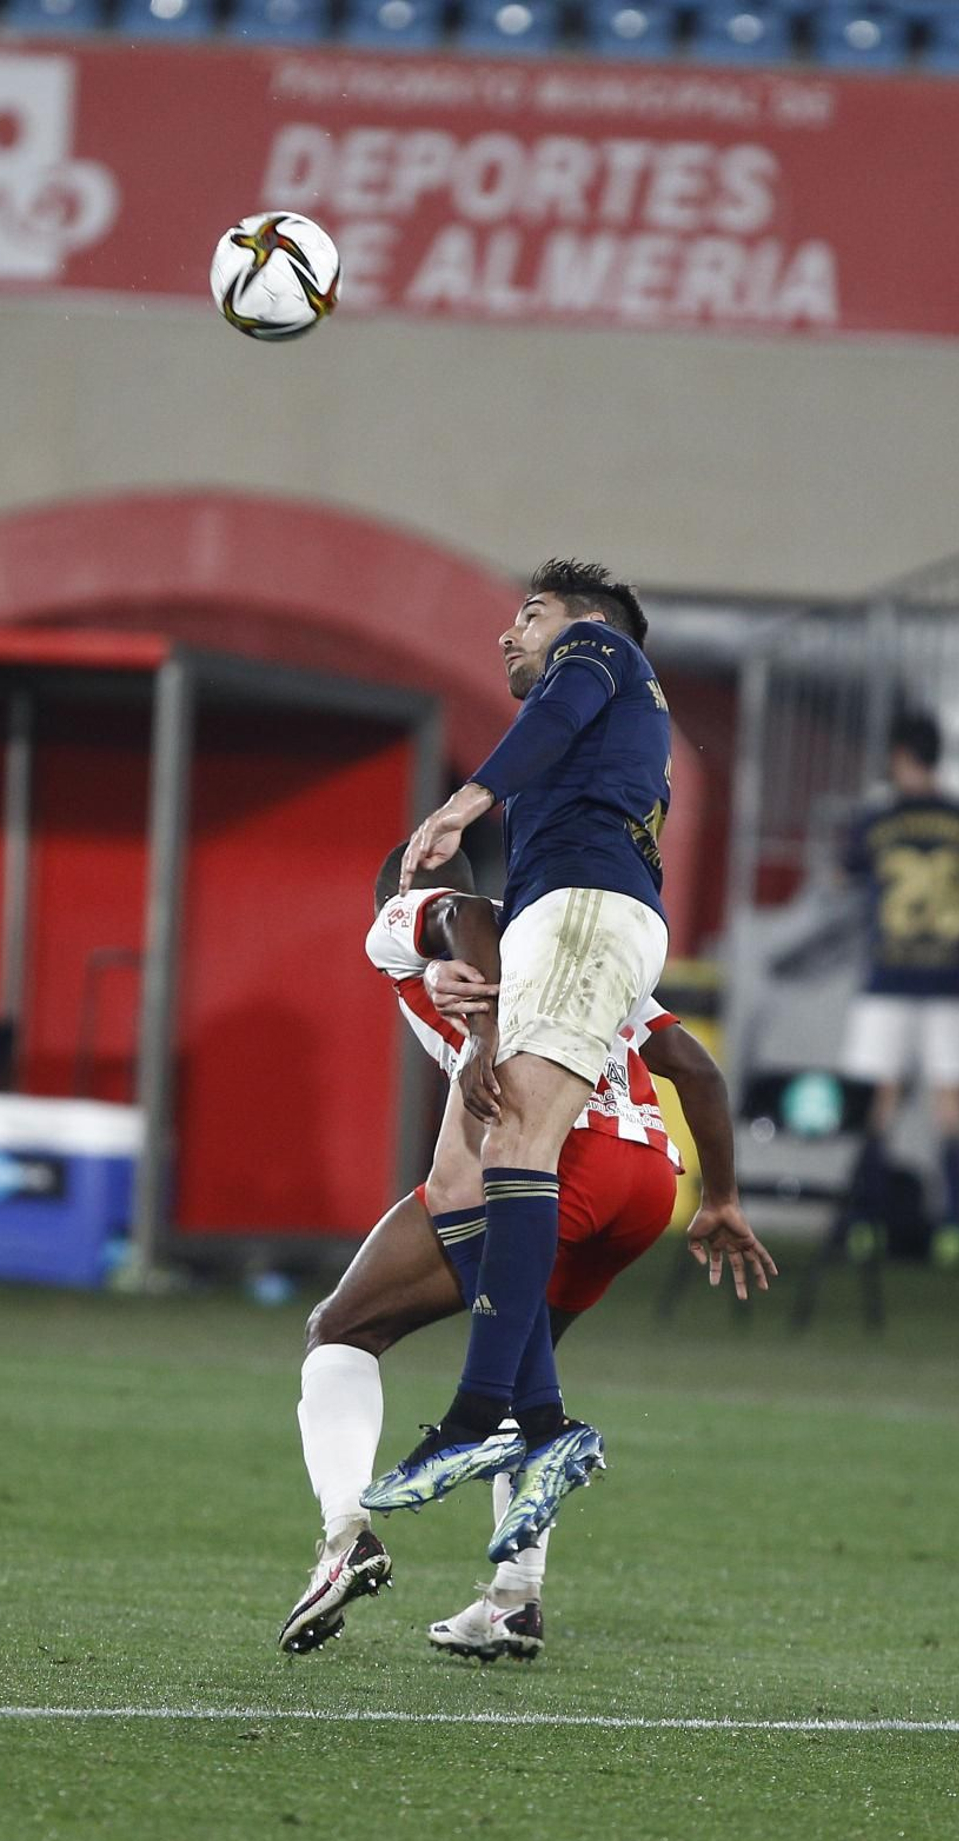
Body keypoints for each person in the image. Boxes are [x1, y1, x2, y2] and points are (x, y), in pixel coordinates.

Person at [280, 846, 773, 1661]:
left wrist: (481, 1028)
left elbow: (470, 917)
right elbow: (697, 1071)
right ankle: (513, 1599)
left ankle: (345, 1536)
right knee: (520, 1371)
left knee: (342, 1328)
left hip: (552, 1165)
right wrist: (719, 1197)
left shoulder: (406, 922)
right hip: (646, 1181)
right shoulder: (574, 958)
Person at [369, 559, 678, 1559]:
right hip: (584, 920)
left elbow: (562, 700)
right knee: (508, 1146)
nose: (510, 635)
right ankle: (536, 1429)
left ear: (585, 623)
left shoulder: (601, 649)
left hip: (585, 910)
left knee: (517, 1149)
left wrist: (465, 800)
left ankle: (480, 1418)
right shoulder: (610, 728)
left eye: (529, 615)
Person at [838, 713, 959, 1267]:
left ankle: (864, 1226)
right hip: (951, 981)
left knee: (876, 1107)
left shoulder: (879, 819)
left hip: (888, 979)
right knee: (952, 1111)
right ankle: (957, 1228)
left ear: (899, 755)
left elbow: (844, 878)